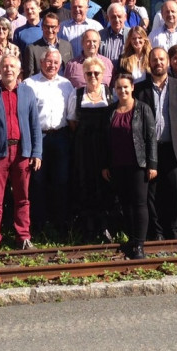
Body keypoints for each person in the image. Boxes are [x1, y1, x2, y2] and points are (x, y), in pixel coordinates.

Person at [0, 54, 43, 252]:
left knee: (23, 198)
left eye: (12, 66)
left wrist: (37, 152)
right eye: (5, 66)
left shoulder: (28, 92)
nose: (8, 70)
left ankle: (23, 236)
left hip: (22, 153)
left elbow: (35, 125)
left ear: (18, 70)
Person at [136, 48, 177, 241]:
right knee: (152, 193)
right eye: (154, 59)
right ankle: (156, 233)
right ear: (149, 62)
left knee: (175, 192)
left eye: (162, 59)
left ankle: (175, 231)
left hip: (175, 147)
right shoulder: (140, 89)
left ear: (167, 62)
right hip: (151, 149)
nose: (158, 62)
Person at [102, 73, 157, 259]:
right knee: (125, 204)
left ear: (132, 87)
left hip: (138, 164)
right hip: (117, 165)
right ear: (115, 90)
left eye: (126, 87)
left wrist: (152, 164)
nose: (122, 90)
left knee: (140, 203)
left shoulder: (143, 109)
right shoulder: (110, 111)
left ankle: (140, 244)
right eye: (119, 87)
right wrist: (105, 165)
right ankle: (132, 240)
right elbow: (105, 141)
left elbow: (151, 138)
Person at [22, 49, 75, 232]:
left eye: (55, 62)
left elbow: (71, 114)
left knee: (61, 180)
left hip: (61, 136)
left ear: (60, 65)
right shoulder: (29, 84)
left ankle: (61, 223)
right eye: (48, 61)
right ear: (41, 62)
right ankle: (39, 224)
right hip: (39, 137)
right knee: (38, 181)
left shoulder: (66, 85)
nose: (52, 65)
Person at [66, 56, 115, 242]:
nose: (93, 76)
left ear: (103, 74)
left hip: (105, 146)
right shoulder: (77, 94)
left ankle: (105, 227)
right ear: (84, 75)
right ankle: (88, 228)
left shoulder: (110, 93)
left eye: (96, 73)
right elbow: (72, 120)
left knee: (105, 185)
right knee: (85, 184)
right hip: (84, 147)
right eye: (89, 73)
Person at [21, 12, 73, 79]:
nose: (50, 30)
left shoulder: (67, 46)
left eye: (53, 27)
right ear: (42, 27)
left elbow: (71, 70)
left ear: (58, 28)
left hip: (63, 86)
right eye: (47, 27)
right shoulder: (32, 49)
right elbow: (30, 75)